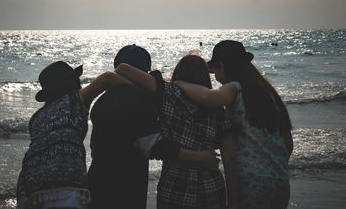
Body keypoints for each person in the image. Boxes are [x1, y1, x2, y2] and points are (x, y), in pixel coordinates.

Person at [88, 45, 221, 209]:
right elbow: (154, 146)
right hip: (130, 185)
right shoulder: (143, 100)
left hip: (100, 179)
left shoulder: (102, 102)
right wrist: (200, 157)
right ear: (145, 71)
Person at [175, 40, 293, 209]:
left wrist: (178, 84)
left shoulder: (234, 88)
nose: (215, 77)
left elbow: (209, 97)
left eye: (214, 71)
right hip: (280, 181)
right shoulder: (269, 94)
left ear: (222, 67)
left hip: (252, 183)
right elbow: (288, 144)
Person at [115, 54, 235, 209]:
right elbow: (229, 158)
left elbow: (122, 68)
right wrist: (234, 202)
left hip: (175, 185)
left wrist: (176, 83)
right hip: (211, 187)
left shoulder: (168, 93)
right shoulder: (218, 107)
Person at [16, 61, 132, 209]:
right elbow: (108, 78)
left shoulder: (37, 116)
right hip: (63, 179)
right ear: (72, 82)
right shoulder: (74, 99)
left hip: (28, 183)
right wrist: (142, 91)